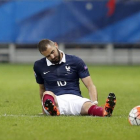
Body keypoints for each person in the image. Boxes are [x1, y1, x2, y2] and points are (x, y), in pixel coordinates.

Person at [33, 39, 116, 116]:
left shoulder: (75, 61)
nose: (52, 56)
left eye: (52, 52)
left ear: (56, 45)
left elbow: (90, 85)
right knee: (47, 94)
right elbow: (42, 88)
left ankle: (105, 111)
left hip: (75, 99)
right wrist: (43, 109)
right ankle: (52, 110)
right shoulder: (39, 65)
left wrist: (94, 102)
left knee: (88, 106)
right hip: (56, 101)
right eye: (48, 56)